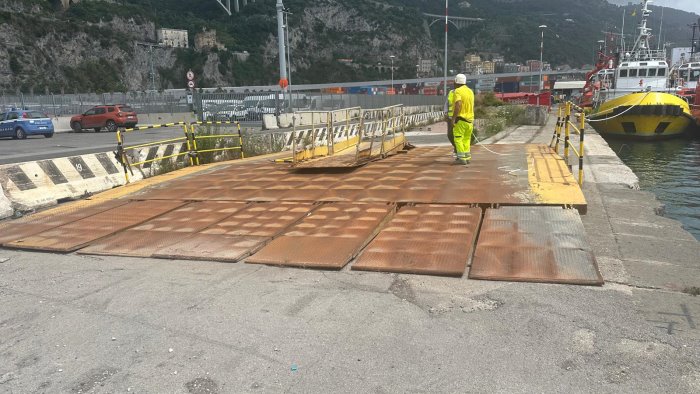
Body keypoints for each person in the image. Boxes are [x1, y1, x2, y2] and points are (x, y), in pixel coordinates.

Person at [451, 74, 475, 165]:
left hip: (461, 119)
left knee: (458, 138)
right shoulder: (470, 91)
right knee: (466, 139)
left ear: (457, 82)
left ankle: (461, 158)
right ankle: (467, 157)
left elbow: (458, 105)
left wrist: (453, 119)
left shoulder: (457, 91)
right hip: (470, 120)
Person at [443, 89, 456, 154]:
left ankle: (458, 150)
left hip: (459, 118)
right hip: (450, 118)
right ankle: (456, 147)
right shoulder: (451, 92)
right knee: (450, 135)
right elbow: (447, 103)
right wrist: (445, 113)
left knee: (458, 135)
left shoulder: (463, 92)